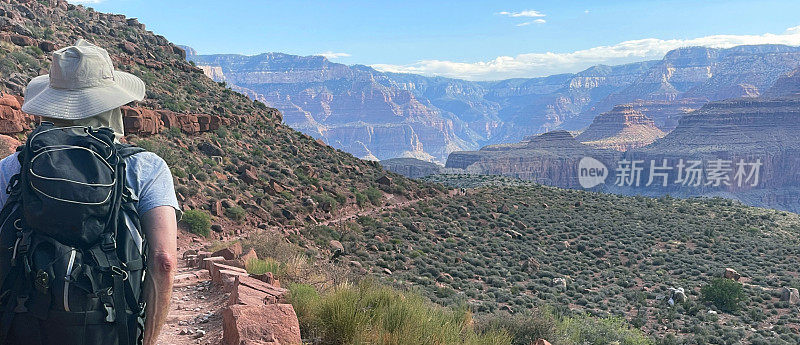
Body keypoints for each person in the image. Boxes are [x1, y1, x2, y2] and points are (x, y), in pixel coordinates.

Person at [0, 40, 180, 345]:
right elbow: (164, 261)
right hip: (110, 330)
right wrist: (147, 339)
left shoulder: (12, 167)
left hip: (25, 328)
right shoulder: (147, 167)